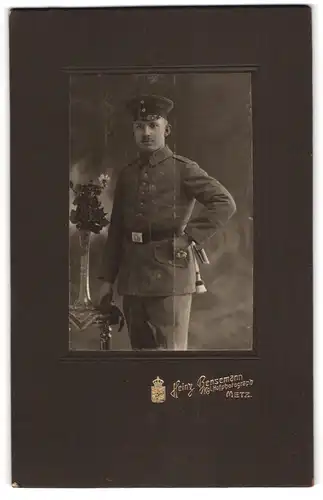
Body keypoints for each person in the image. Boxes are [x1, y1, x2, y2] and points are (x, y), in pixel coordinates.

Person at [98, 94, 236, 350]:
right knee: (141, 356)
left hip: (170, 274)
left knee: (171, 358)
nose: (146, 132)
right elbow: (116, 230)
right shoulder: (128, 174)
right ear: (133, 131)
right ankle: (146, 394)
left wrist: (189, 237)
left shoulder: (183, 169)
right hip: (132, 278)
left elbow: (224, 202)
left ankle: (164, 393)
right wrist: (107, 282)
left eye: (153, 125)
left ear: (166, 129)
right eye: (140, 126)